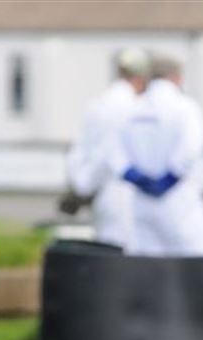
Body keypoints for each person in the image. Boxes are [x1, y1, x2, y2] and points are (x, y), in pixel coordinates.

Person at [112, 54, 203, 257]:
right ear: (177, 78)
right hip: (179, 198)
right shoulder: (185, 107)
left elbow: (114, 153)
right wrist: (167, 181)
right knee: (195, 258)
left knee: (147, 262)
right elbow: (191, 149)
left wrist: (137, 178)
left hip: (141, 199)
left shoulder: (132, 108)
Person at [63, 48, 149, 248]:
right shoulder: (135, 108)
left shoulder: (97, 104)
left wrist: (82, 187)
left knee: (106, 251)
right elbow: (111, 155)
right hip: (126, 194)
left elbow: (79, 153)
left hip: (101, 195)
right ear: (141, 78)